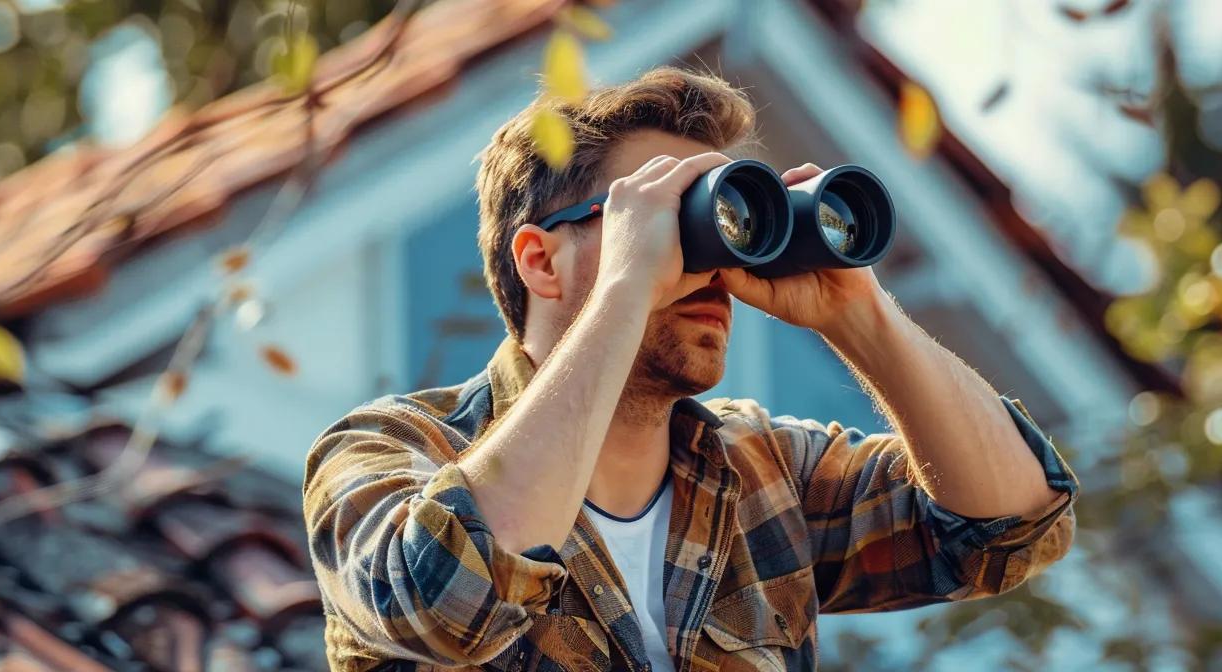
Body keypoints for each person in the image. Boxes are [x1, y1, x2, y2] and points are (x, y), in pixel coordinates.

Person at [303, 66, 1078, 672]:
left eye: (725, 226)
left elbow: (1012, 525)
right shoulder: (386, 451)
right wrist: (626, 288)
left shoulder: (764, 472)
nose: (708, 268)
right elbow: (444, 600)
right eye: (675, 220)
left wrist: (860, 314)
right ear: (540, 259)